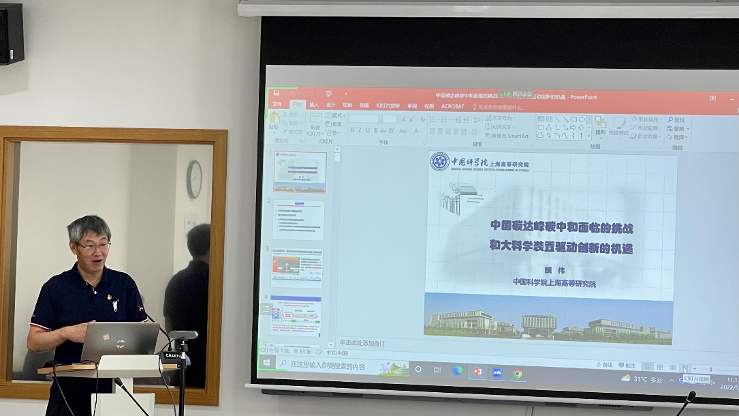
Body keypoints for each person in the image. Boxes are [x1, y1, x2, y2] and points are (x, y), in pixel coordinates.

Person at [27, 215, 148, 416]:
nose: (98, 252)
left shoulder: (124, 284)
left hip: (116, 391)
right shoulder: (56, 287)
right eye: (89, 246)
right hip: (68, 394)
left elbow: (143, 335)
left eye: (103, 244)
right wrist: (65, 333)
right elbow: (33, 342)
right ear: (73, 247)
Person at [164, 223, 209, 388]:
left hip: (184, 369)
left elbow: (169, 325)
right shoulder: (216, 282)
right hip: (211, 370)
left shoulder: (176, 280)